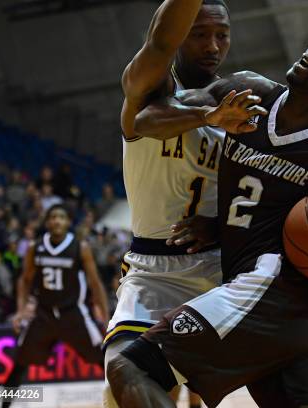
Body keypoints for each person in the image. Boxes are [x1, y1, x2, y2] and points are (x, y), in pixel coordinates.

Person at [107, 19, 308, 407]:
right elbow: (146, 120)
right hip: (284, 314)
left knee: (130, 369)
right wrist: (209, 119)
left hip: (273, 286)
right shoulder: (248, 92)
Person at [104, 1, 264, 407]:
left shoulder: (243, 104)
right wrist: (210, 116)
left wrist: (219, 225)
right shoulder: (148, 91)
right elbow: (158, 47)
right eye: (198, 33)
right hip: (153, 271)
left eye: (222, 34)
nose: (213, 45)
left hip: (222, 269)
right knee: (122, 380)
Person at [1, 204, 108, 408]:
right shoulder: (36, 246)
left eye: (61, 217)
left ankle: (125, 401)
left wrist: (106, 315)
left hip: (74, 315)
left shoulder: (80, 247)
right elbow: (24, 280)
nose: (56, 220)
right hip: (44, 315)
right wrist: (21, 310)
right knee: (19, 364)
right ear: (47, 221)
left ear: (68, 222)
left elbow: (96, 283)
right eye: (52, 217)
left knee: (105, 361)